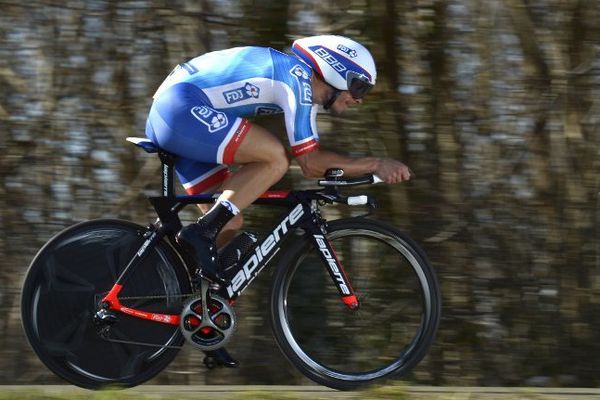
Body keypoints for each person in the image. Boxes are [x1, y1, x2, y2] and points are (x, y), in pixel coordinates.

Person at [145, 34, 411, 367]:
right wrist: (375, 164)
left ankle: (208, 328)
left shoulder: (298, 87)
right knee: (274, 158)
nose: (360, 99)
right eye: (359, 88)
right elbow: (311, 163)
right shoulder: (296, 77)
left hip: (182, 113)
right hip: (181, 109)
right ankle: (200, 231)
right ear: (336, 71)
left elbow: (315, 160)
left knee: (231, 223)